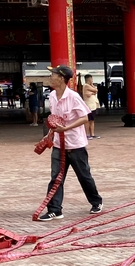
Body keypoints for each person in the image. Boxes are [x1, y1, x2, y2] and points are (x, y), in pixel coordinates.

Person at [38, 65, 104, 221]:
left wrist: (66, 128)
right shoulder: (52, 96)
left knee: (84, 176)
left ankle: (96, 201)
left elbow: (86, 117)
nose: (50, 77)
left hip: (75, 145)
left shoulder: (73, 97)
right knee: (56, 178)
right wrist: (49, 135)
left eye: (52, 75)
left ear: (61, 78)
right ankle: (55, 209)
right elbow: (55, 120)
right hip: (58, 144)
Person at [82, 74, 101, 139]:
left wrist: (91, 93)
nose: (92, 80)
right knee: (88, 121)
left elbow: (94, 91)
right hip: (89, 106)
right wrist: (93, 90)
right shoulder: (86, 85)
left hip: (92, 106)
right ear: (89, 79)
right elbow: (96, 90)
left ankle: (92, 134)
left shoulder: (88, 86)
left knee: (92, 120)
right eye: (92, 79)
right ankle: (86, 134)